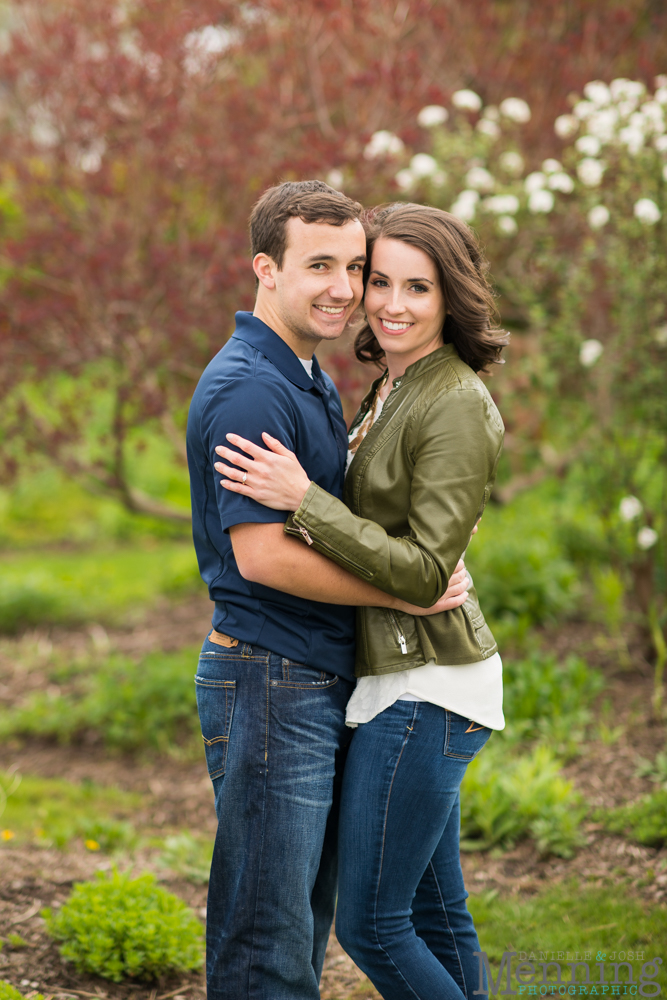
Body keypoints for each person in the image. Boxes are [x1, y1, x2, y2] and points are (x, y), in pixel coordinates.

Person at [214, 201, 509, 1000]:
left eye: (417, 287)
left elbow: (421, 572)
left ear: (451, 297)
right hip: (396, 675)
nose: (388, 302)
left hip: (426, 682)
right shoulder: (392, 385)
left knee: (372, 926)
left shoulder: (449, 397)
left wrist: (305, 500)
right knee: (435, 913)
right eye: (377, 279)